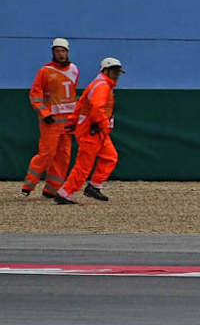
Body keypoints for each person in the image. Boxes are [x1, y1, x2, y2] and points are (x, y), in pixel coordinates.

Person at [54, 57, 125, 204]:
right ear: (106, 71)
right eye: (114, 71)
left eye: (118, 72)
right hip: (92, 130)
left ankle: (94, 186)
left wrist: (73, 121)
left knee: (110, 157)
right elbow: (97, 109)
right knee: (84, 165)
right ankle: (65, 193)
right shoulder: (102, 86)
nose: (117, 75)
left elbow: (81, 104)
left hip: (96, 130)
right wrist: (104, 125)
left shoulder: (100, 84)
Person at [21, 38, 80, 198]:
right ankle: (29, 184)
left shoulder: (74, 69)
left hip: (67, 122)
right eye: (57, 51)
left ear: (67, 52)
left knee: (63, 157)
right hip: (51, 121)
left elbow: (72, 95)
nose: (60, 54)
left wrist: (74, 119)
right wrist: (44, 113)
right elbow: (35, 94)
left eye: (63, 51)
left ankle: (52, 189)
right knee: (47, 154)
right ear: (53, 52)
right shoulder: (45, 71)